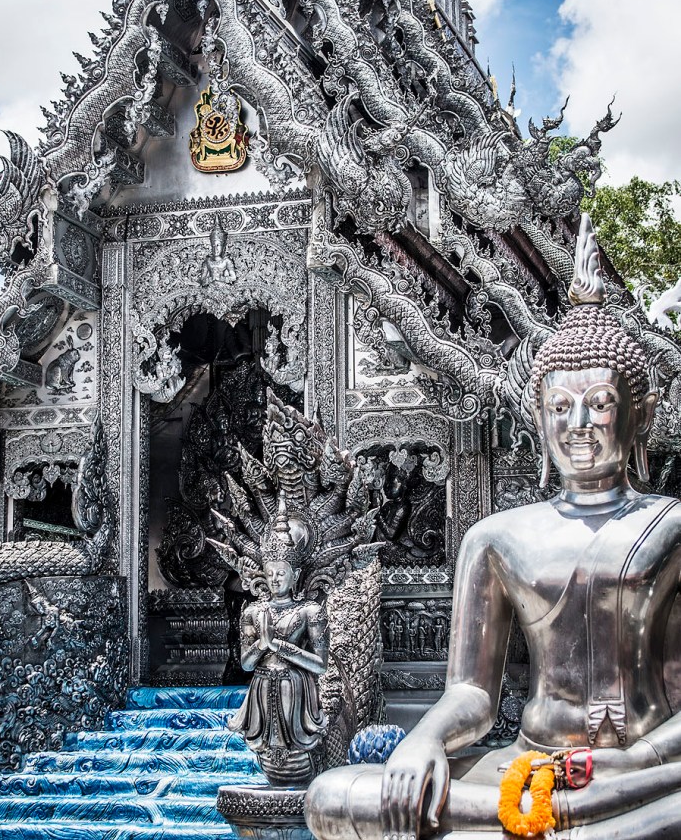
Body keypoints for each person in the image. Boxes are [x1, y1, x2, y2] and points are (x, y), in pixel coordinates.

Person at [305, 214, 681, 839]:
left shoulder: (670, 524)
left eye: (601, 403)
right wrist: (424, 740)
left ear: (635, 416)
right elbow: (472, 696)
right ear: (539, 418)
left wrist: (635, 759)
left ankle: (576, 817)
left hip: (641, 761)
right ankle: (579, 821)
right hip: (528, 766)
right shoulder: (496, 536)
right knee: (334, 797)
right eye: (560, 406)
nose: (579, 422)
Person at [229, 526, 329, 787]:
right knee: (267, 746)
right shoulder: (253, 611)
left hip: (295, 686)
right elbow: (246, 664)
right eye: (270, 573)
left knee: (297, 747)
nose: (274, 579)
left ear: (295, 575)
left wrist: (279, 645)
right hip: (262, 686)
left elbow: (320, 664)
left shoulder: (310, 611)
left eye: (281, 573)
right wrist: (263, 645)